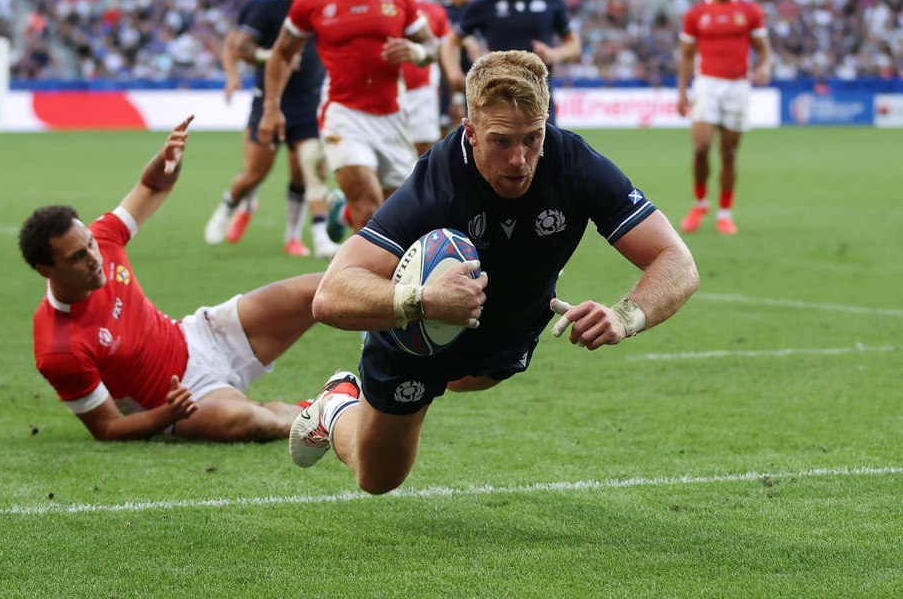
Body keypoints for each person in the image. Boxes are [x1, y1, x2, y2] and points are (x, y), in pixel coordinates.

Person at [288, 51, 699, 495]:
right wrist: (424, 300)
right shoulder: (436, 184)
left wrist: (625, 314)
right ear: (471, 131)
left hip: (509, 330)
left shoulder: (574, 163)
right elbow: (330, 295)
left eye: (533, 138)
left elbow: (678, 261)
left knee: (473, 379)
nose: (520, 159)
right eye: (502, 141)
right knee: (379, 479)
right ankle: (335, 406)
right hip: (416, 339)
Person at [19, 116, 322, 442]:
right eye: (76, 258)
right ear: (45, 270)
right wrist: (169, 412)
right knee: (246, 420)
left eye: (89, 245)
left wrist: (167, 162)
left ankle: (383, 342)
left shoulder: (104, 238)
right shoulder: (58, 348)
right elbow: (107, 428)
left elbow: (151, 186)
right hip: (181, 399)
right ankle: (328, 410)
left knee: (323, 289)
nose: (93, 259)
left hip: (203, 335)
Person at [259, 0, 439, 243]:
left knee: (402, 216)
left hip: (393, 117)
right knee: (370, 209)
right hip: (344, 113)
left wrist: (416, 53)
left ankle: (342, 211)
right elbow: (281, 53)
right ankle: (375, 290)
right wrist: (271, 106)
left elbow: (431, 44)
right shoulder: (312, 0)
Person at [206, 0, 338, 259]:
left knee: (305, 169)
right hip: (269, 100)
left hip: (308, 101)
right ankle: (227, 207)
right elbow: (237, 45)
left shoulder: (318, 5)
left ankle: (297, 236)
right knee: (255, 172)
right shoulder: (264, 5)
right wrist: (267, 58)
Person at [676, 0, 772, 235]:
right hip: (707, 84)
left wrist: (764, 66)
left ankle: (725, 213)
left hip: (738, 86)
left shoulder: (750, 11)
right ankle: (700, 203)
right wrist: (682, 91)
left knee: (729, 153)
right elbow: (685, 56)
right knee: (701, 147)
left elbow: (763, 49)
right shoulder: (695, 14)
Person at [441, 0, 580, 125]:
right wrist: (453, 72)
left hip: (539, 96)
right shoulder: (485, 1)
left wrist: (555, 54)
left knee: (545, 152)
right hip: (496, 95)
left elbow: (574, 44)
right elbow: (452, 40)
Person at [387, 0, 451, 156]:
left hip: (422, 92)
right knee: (389, 154)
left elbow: (444, 51)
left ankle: (420, 188)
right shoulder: (379, 10)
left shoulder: (434, 11)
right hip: (386, 91)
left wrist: (453, 96)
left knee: (424, 153)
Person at [440, 0, 480, 136]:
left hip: (479, 82)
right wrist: (464, 39)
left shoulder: (482, 12)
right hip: (446, 83)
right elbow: (441, 35)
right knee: (444, 129)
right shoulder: (442, 13)